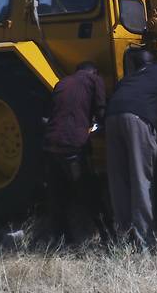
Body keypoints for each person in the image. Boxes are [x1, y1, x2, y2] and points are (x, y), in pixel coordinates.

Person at [105, 49, 157, 249]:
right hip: (137, 118)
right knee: (141, 177)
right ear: (154, 60)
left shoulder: (127, 80)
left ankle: (123, 237)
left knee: (119, 179)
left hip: (112, 117)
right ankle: (143, 241)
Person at [43, 61, 111, 243]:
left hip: (50, 144)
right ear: (94, 71)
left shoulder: (62, 82)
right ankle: (108, 237)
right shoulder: (94, 80)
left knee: (57, 195)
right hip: (73, 145)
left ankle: (61, 239)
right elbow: (101, 111)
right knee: (88, 191)